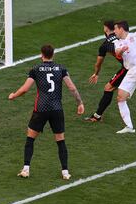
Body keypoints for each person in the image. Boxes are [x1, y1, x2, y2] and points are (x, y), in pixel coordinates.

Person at [9, 44, 84, 180]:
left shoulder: (36, 69)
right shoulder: (61, 69)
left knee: (30, 138)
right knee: (60, 140)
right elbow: (72, 88)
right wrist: (80, 103)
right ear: (53, 54)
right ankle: (65, 172)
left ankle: (26, 169)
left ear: (41, 54)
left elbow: (25, 89)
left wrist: (14, 95)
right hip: (57, 109)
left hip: (41, 109)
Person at [85, 21, 136, 122]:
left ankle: (98, 116)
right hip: (133, 67)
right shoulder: (122, 36)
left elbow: (98, 63)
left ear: (107, 30)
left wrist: (96, 73)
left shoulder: (106, 44)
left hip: (130, 69)